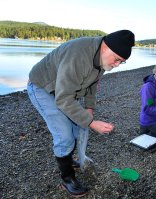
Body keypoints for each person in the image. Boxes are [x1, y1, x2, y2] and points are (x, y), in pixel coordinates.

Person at [27, 30, 135, 197]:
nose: (117, 65)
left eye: (122, 62)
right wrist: (91, 123)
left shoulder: (102, 57)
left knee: (79, 128)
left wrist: (89, 109)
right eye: (117, 60)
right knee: (64, 136)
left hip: (64, 90)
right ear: (105, 47)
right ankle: (67, 178)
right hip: (42, 87)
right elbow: (63, 99)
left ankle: (69, 160)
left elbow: (92, 83)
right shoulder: (78, 55)